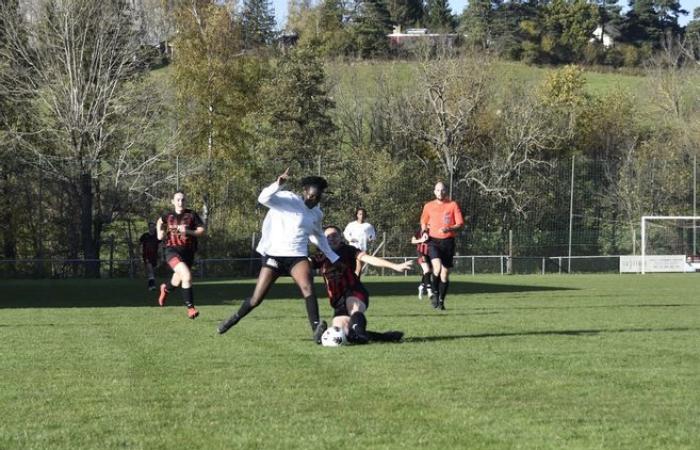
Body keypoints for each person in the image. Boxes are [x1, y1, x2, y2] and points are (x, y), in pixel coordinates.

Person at [217, 169, 340, 343]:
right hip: (274, 254)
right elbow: (263, 199)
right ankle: (234, 318)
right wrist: (278, 184)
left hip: (297, 255)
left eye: (318, 197)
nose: (314, 200)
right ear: (304, 191)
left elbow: (318, 236)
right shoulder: (287, 199)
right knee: (256, 298)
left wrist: (334, 258)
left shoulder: (316, 213)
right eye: (312, 196)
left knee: (308, 287)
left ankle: (317, 330)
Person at [312, 226, 411, 344]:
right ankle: (385, 337)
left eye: (334, 235)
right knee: (344, 334)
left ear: (340, 237)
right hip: (337, 300)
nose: (332, 238)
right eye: (328, 236)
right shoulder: (321, 255)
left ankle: (361, 336)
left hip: (354, 290)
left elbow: (369, 259)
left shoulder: (349, 250)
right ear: (323, 239)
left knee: (353, 307)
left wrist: (395, 266)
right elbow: (304, 264)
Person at [156, 190, 206, 319]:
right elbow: (159, 222)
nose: (180, 202)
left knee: (177, 280)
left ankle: (165, 289)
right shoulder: (168, 216)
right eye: (177, 200)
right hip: (171, 251)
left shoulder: (192, 215)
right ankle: (191, 308)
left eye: (183, 200)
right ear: (173, 202)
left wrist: (188, 231)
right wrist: (159, 233)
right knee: (187, 276)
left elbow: (201, 230)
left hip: (188, 252)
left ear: (186, 201)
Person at [420, 181, 464, 310]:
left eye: (442, 190)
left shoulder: (452, 205)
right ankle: (434, 293)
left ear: (446, 191)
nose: (440, 192)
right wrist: (424, 232)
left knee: (444, 274)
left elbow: (460, 223)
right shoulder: (428, 206)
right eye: (438, 190)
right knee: (437, 268)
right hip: (433, 241)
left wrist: (448, 228)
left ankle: (441, 300)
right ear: (434, 191)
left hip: (448, 242)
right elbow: (423, 221)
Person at [343, 207, 376, 276]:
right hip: (352, 248)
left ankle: (356, 281)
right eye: (360, 214)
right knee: (351, 267)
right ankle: (353, 281)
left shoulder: (368, 226)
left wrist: (371, 238)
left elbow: (372, 235)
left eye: (363, 214)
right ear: (357, 215)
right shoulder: (351, 224)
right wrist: (350, 239)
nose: (362, 216)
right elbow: (345, 233)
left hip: (362, 249)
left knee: (359, 267)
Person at [410, 229, 433, 300]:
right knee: (426, 270)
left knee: (428, 272)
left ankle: (421, 286)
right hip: (421, 253)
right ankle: (430, 291)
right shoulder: (419, 231)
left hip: (430, 253)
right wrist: (421, 240)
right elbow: (413, 241)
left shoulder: (434, 230)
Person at [139, 221, 160, 291]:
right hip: (146, 255)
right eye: (151, 227)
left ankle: (150, 285)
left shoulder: (157, 236)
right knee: (150, 269)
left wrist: (161, 255)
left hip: (155, 256)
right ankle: (152, 286)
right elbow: (139, 244)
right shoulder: (145, 236)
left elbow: (161, 244)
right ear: (149, 228)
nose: (152, 228)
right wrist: (139, 253)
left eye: (153, 227)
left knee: (152, 271)